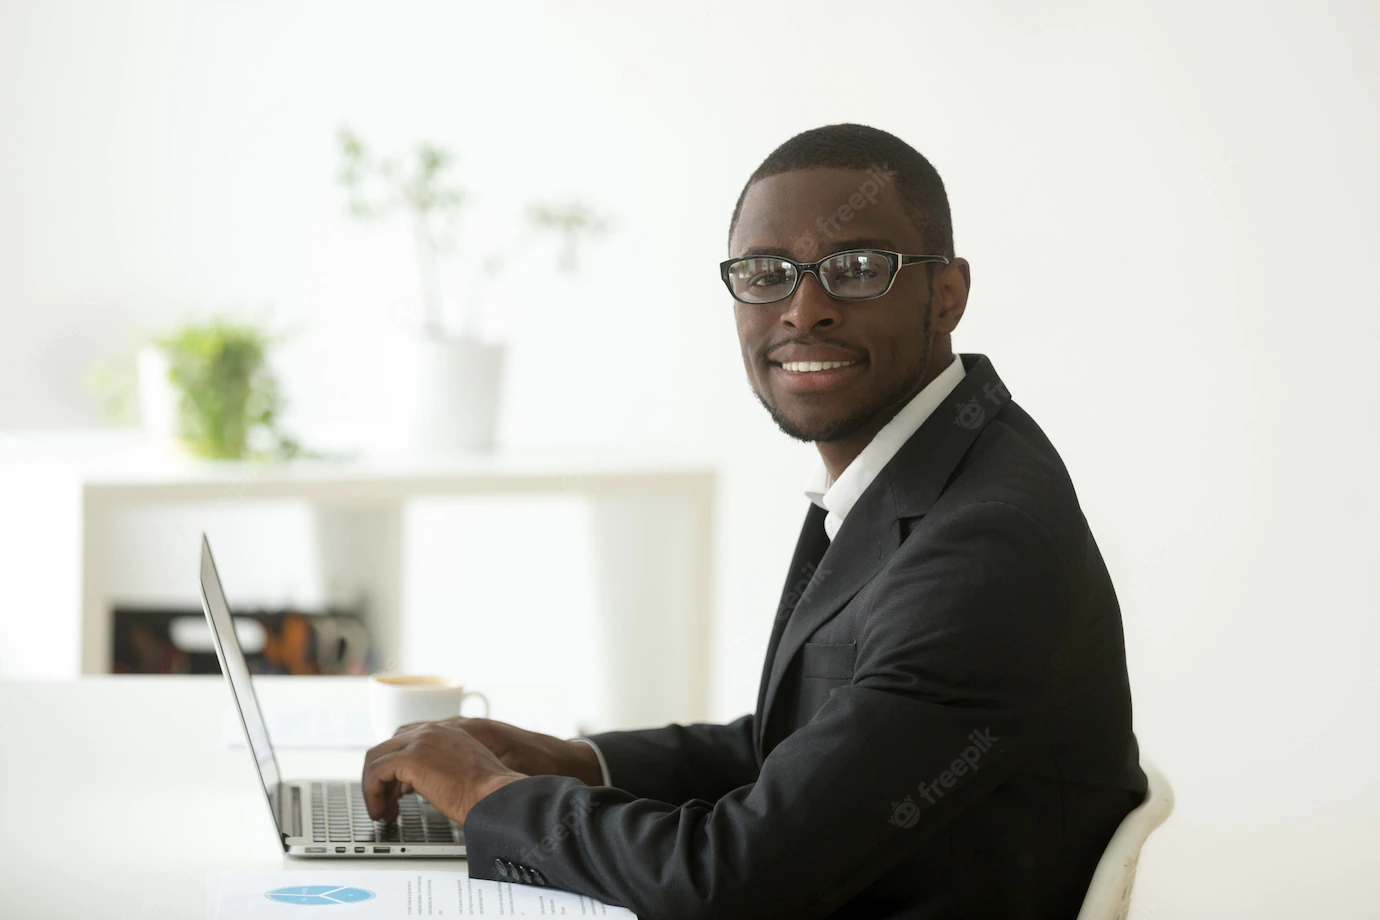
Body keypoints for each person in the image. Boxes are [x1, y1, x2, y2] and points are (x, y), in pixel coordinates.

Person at [361, 123, 1147, 919]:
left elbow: (733, 878)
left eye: (858, 269)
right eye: (767, 273)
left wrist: (489, 795)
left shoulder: (985, 543)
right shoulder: (919, 472)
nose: (805, 310)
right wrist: (578, 760)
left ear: (947, 294)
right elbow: (795, 751)